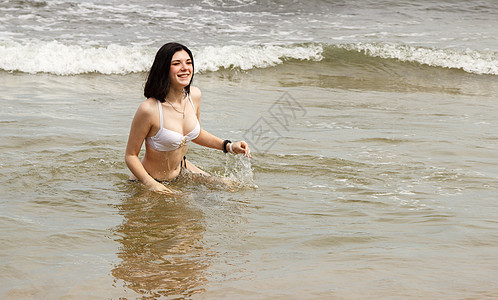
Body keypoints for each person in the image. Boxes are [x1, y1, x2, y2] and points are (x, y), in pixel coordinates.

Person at [125, 42, 251, 194]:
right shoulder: (149, 109)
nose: (185, 68)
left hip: (183, 171)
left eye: (189, 62)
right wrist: (151, 184)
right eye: (176, 63)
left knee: (233, 188)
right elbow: (131, 156)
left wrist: (229, 146)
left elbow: (195, 133)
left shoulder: (194, 96)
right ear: (164, 69)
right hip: (149, 180)